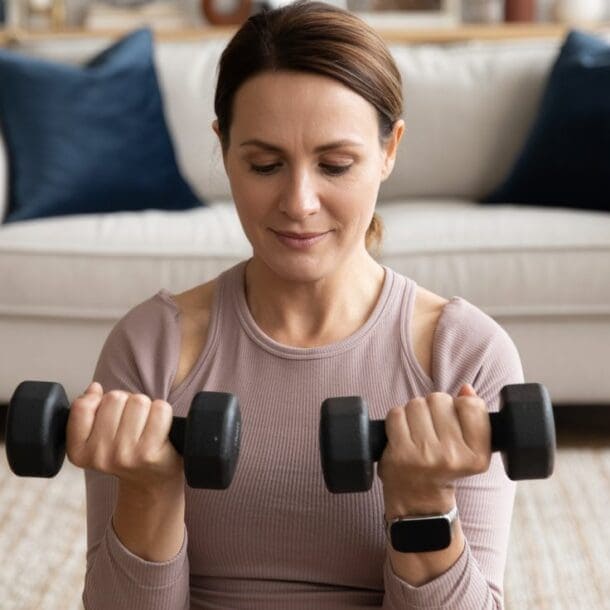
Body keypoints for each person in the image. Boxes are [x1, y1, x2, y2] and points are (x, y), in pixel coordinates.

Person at [67, 1, 524, 608]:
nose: (299, 201)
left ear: (390, 150)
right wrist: (149, 492)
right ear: (224, 150)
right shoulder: (152, 347)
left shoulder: (466, 356)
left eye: (336, 164)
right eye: (265, 164)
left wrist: (421, 502)